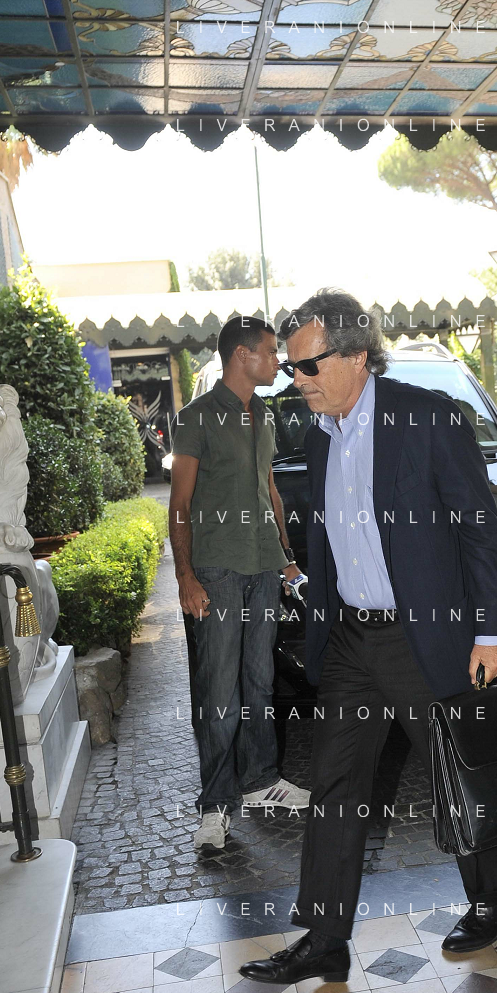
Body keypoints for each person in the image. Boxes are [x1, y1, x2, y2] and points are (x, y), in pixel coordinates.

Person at [239, 288, 497, 987]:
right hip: (351, 641)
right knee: (335, 784)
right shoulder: (319, 435)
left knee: (457, 774)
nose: (296, 380)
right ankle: (324, 938)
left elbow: (479, 531)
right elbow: (332, 538)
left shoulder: (427, 418)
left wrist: (491, 632)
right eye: (291, 368)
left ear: (357, 354)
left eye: (308, 365)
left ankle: (495, 898)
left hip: (423, 638)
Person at [169, 316, 310, 856]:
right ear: (241, 356)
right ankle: (214, 804)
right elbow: (179, 504)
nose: (279, 362)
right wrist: (185, 576)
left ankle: (260, 780)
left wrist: (287, 559)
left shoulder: (264, 416)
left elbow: (269, 490)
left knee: (259, 682)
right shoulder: (196, 418)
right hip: (217, 572)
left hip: (262, 568)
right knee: (219, 693)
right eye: (271, 352)